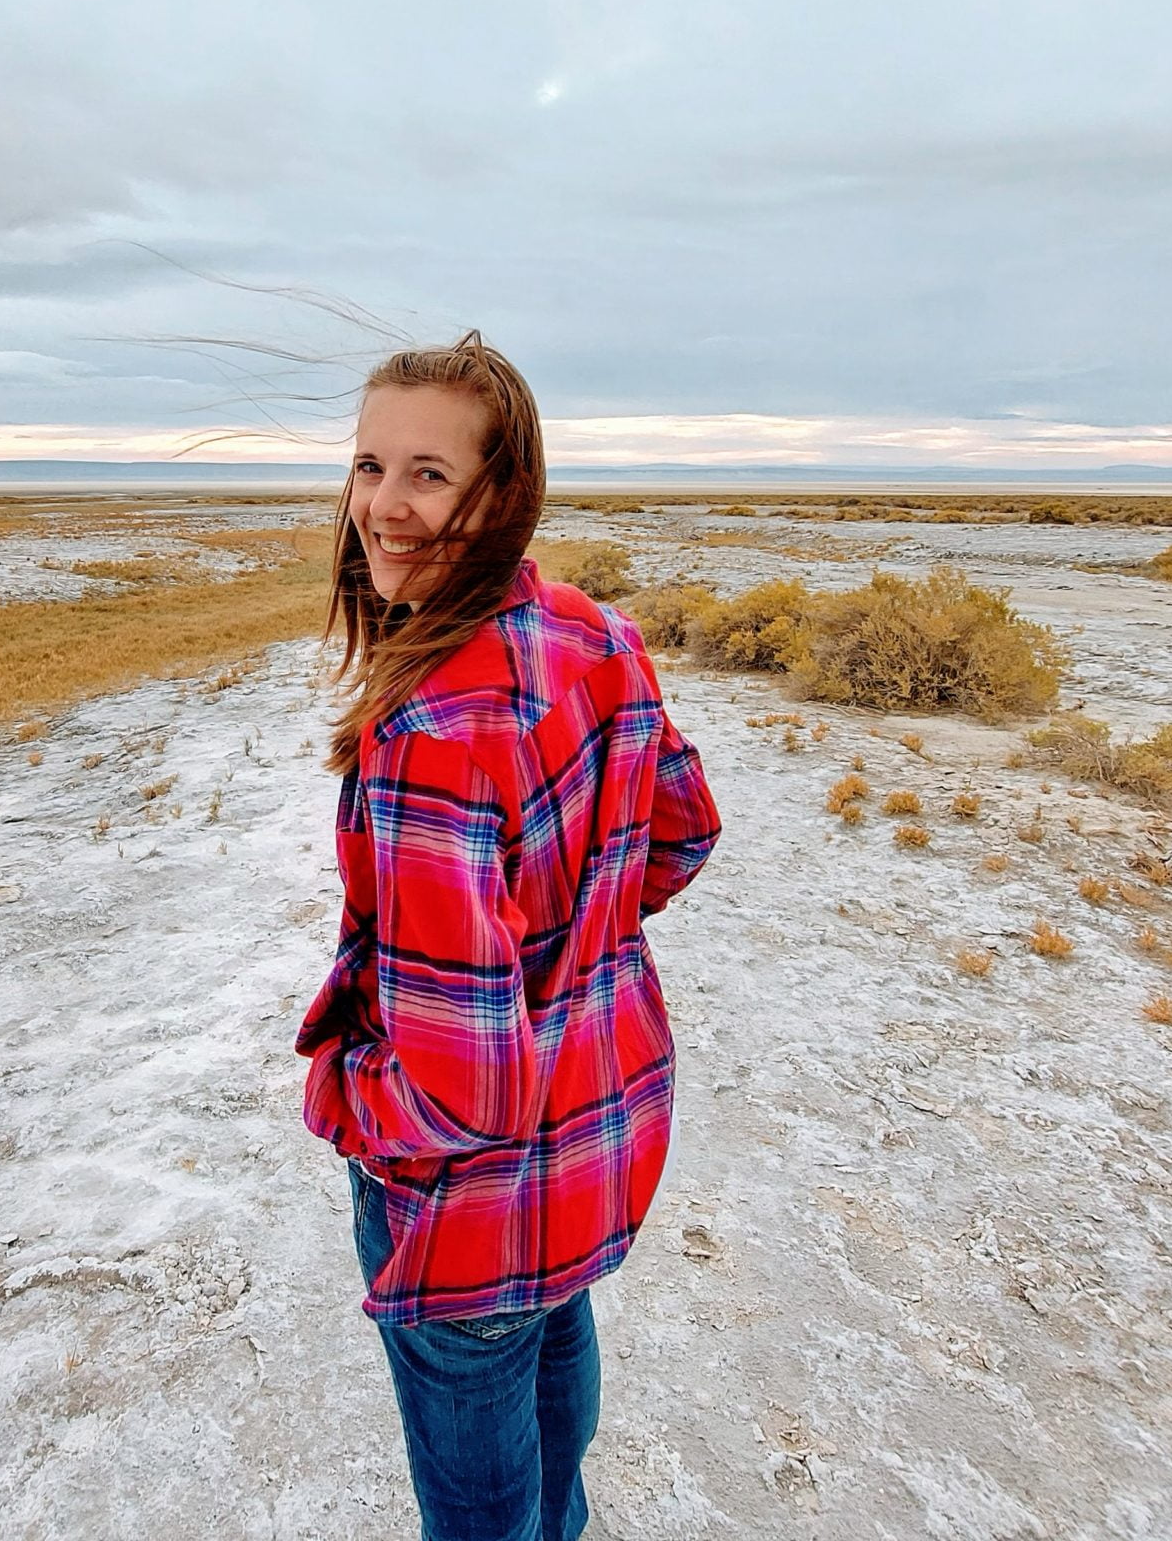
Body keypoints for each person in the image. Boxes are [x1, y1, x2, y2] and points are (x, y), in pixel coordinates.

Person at [294, 332, 722, 1541]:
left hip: (474, 1199)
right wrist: (570, 950)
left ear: (503, 491)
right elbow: (679, 835)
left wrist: (341, 1102)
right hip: (589, 1141)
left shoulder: (433, 731)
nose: (382, 504)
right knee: (549, 1374)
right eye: (369, 465)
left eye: (428, 473)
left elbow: (460, 1087)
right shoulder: (596, 633)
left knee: (482, 1507)